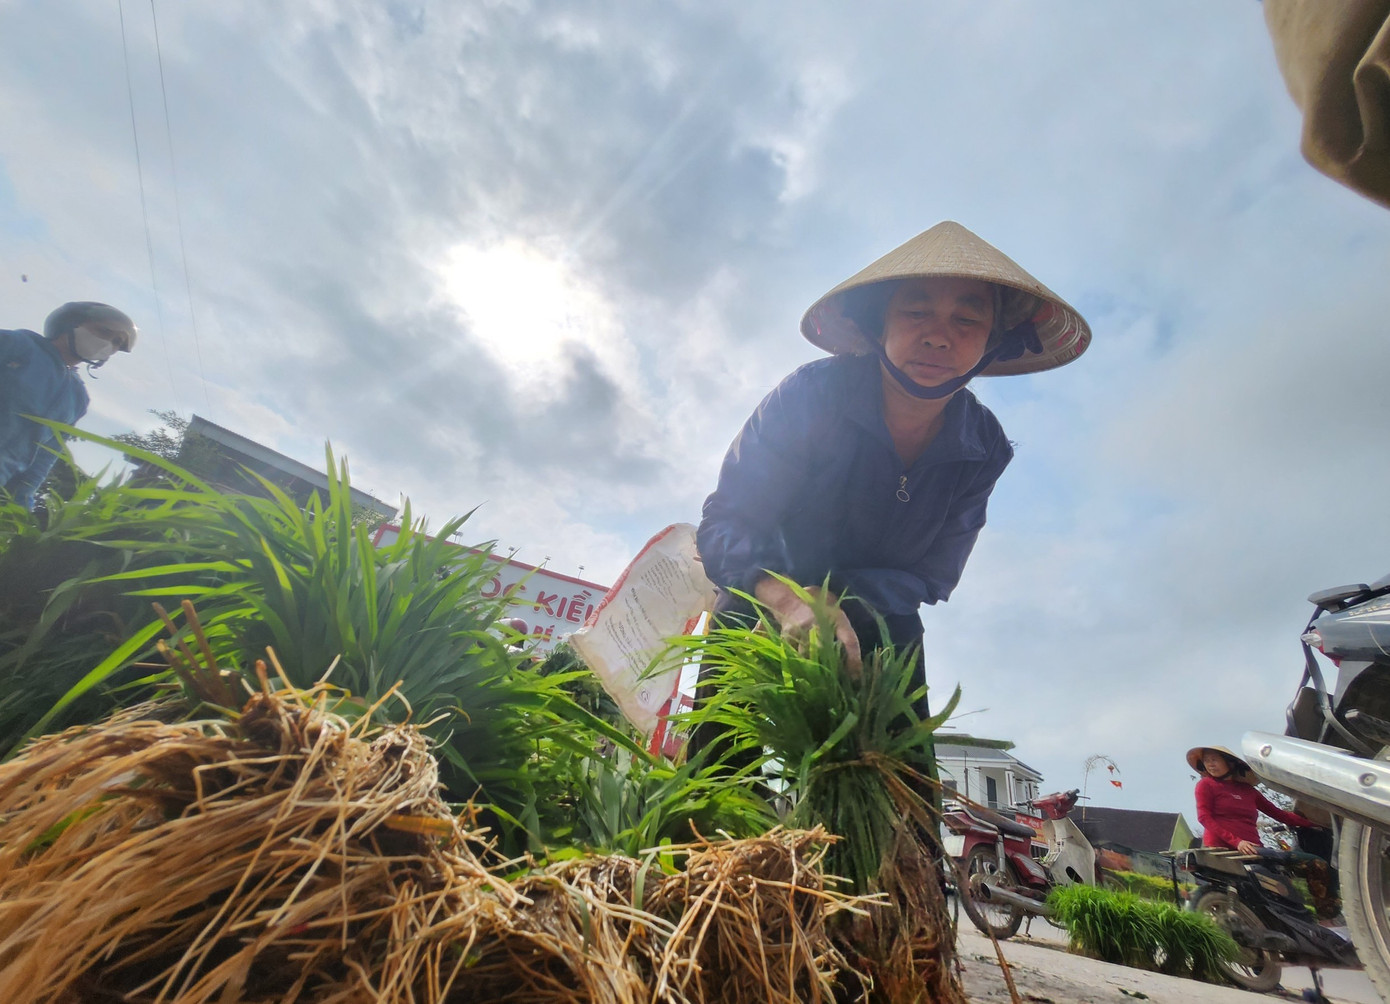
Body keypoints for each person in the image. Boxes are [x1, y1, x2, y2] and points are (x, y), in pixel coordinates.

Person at [695, 221, 1090, 699]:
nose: (939, 337)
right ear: (878, 323)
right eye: (916, 311)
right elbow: (726, 523)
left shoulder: (983, 446)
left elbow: (931, 574)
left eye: (967, 321)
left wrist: (836, 597)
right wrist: (791, 599)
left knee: (895, 769)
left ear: (993, 341)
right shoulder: (810, 396)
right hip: (763, 599)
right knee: (721, 762)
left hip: (878, 621)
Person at [0, 301, 137, 509]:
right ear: (69, 323)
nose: (109, 344)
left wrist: (19, 508)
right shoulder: (17, 345)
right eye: (104, 331)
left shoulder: (77, 397)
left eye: (117, 342)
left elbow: (45, 456)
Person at [1189, 743, 1340, 918]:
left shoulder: (1248, 791)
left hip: (1255, 850)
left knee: (1315, 864)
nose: (1210, 764)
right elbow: (1204, 818)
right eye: (1206, 761)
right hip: (1225, 849)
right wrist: (1237, 842)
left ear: (1230, 763)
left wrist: (1313, 824)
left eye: (1214, 760)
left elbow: (1280, 814)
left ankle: (1327, 918)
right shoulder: (1205, 785)